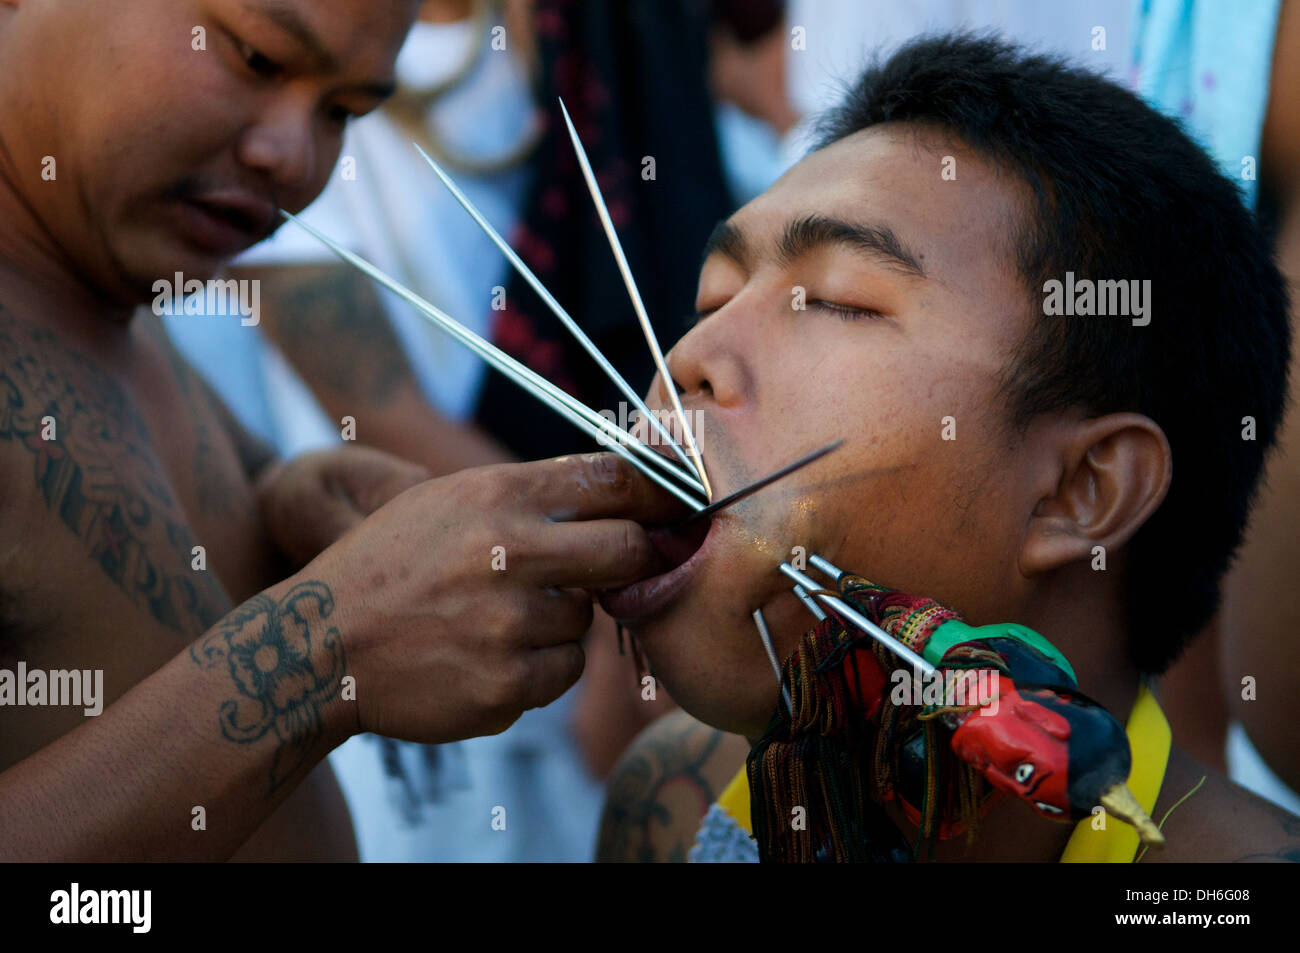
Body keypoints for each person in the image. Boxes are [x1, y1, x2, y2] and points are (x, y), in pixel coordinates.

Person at [0, 0, 680, 861]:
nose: (292, 158)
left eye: (342, 112)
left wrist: (293, 499)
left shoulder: (108, 292)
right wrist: (322, 654)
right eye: (254, 58)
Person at [597, 33, 1300, 862]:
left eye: (836, 300)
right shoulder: (674, 796)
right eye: (709, 298)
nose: (686, 363)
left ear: (1081, 488)